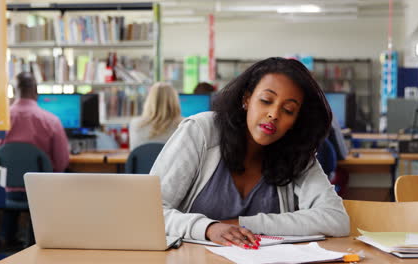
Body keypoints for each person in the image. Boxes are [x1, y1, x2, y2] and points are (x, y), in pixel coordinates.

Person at [150, 57, 349, 248]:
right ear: (246, 99)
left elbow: (336, 219)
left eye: (288, 110)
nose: (274, 114)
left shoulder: (295, 153)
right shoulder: (201, 131)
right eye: (265, 100)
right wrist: (208, 228)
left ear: (296, 120)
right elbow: (147, 212)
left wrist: (240, 224)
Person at [0, 72, 69, 173]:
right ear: (36, 92)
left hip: (3, 187)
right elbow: (61, 164)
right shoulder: (52, 121)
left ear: (13, 92)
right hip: (41, 187)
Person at [129, 82, 182, 151]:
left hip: (144, 162)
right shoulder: (183, 125)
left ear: (149, 101)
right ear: (174, 101)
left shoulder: (135, 124)